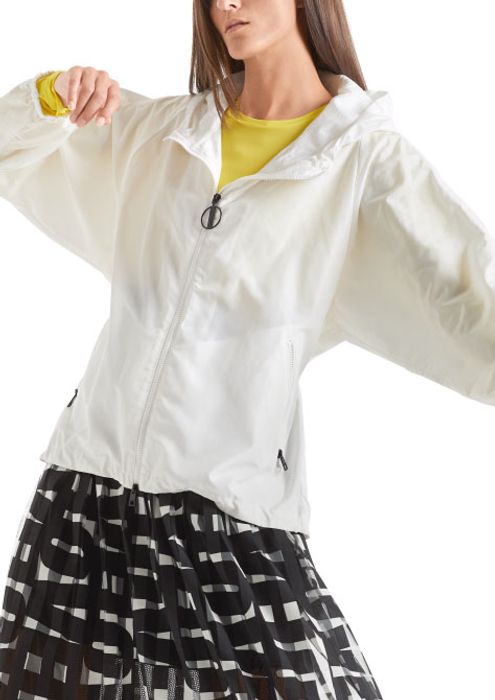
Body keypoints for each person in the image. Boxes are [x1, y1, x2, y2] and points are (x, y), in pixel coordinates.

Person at [1, 0, 494, 698]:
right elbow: (10, 150)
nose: (225, 3)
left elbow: (469, 296)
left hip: (227, 509)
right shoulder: (161, 133)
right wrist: (51, 96)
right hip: (86, 496)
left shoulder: (361, 159)